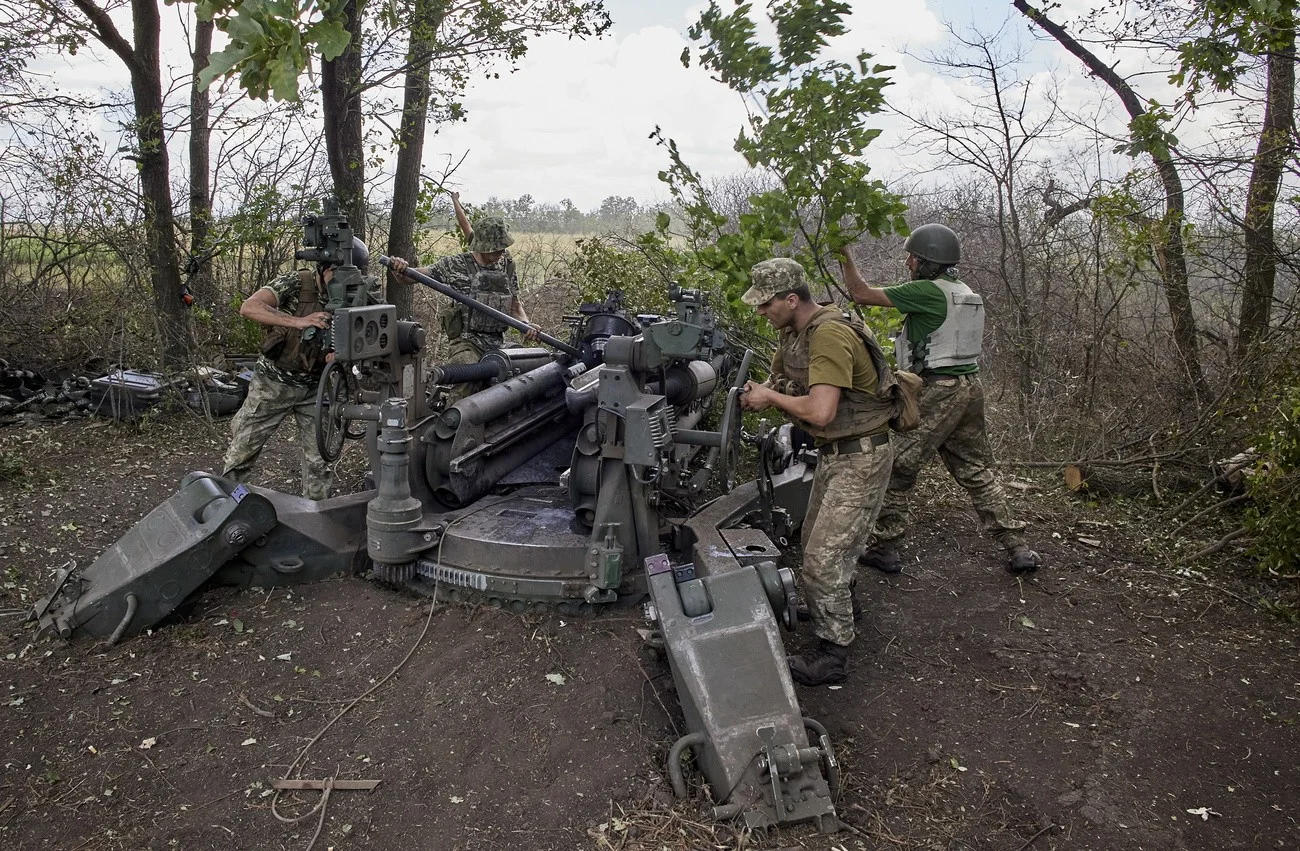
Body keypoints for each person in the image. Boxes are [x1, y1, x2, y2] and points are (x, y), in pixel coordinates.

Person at [839, 223, 1041, 575]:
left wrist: (845, 256)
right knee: (976, 470)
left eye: (912, 258)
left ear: (928, 262)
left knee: (897, 464)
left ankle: (886, 547)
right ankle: (1017, 547)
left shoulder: (928, 292)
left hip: (939, 390)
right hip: (969, 387)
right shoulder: (962, 291)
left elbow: (860, 294)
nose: (907, 264)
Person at [739, 258, 896, 686]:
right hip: (837, 453)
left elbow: (822, 412)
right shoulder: (796, 333)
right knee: (816, 542)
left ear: (792, 299)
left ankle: (833, 654)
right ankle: (842, 604)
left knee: (823, 559)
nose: (761, 312)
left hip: (860, 455)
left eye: (766, 304)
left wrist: (770, 398)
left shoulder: (828, 334)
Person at [222, 238, 381, 500]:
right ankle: (227, 509)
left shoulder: (359, 293)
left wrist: (343, 355)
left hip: (318, 389)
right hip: (273, 384)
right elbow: (249, 307)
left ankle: (316, 518)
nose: (344, 283)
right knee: (241, 454)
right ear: (324, 269)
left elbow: (370, 337)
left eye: (352, 276)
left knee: (319, 464)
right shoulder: (297, 282)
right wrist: (298, 322)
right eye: (338, 274)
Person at [389, 213, 539, 402]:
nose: (502, 253)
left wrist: (526, 324)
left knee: (517, 386)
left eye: (504, 249)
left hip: (498, 343)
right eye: (498, 249)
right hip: (467, 343)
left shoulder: (507, 266)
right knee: (466, 381)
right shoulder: (455, 265)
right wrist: (400, 269)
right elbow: (411, 277)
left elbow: (515, 305)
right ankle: (451, 425)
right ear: (484, 247)